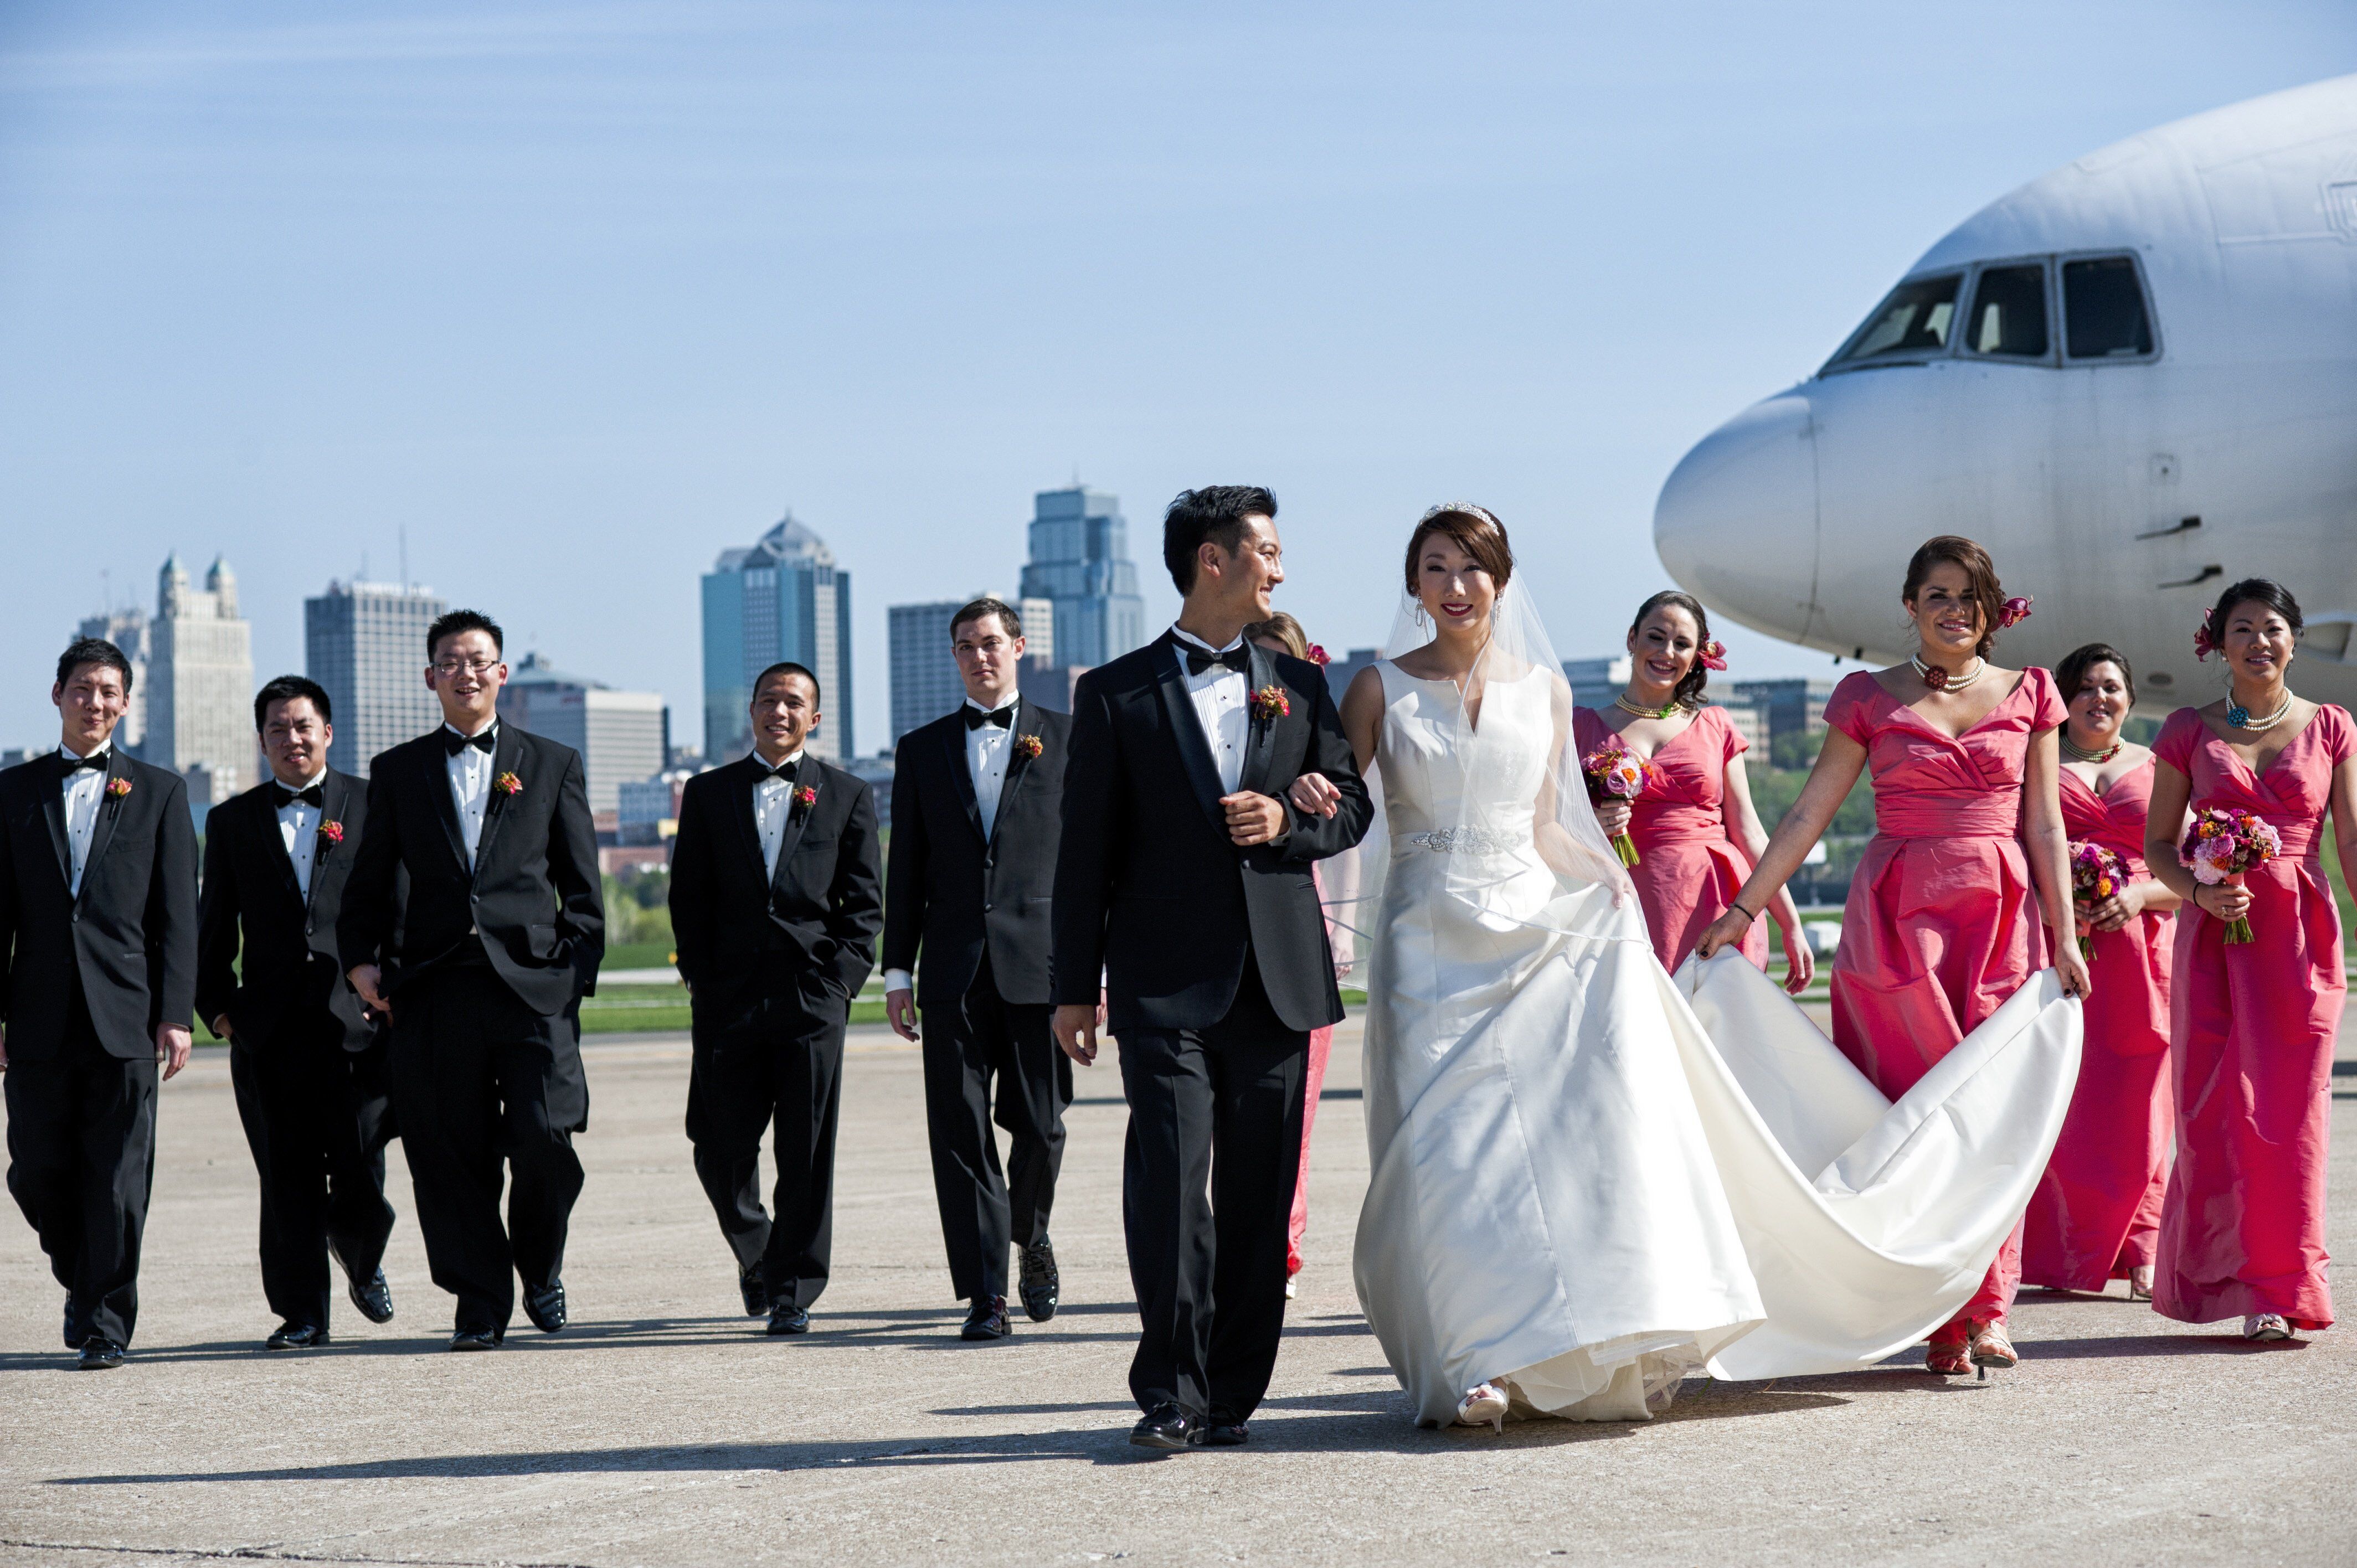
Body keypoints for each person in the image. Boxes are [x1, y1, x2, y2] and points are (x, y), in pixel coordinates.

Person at [1298, 506, 2082, 1429]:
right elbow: (1343, 808)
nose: (1457, 584)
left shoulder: (1544, 691)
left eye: (1472, 568)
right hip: (1427, 939)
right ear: (1415, 584)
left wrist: (1613, 887)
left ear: (1501, 582)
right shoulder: (1374, 689)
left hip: (1534, 928)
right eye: (1437, 567)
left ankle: (1502, 1360)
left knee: (1515, 1154)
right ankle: (1463, 1353)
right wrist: (1302, 804)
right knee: (1442, 1154)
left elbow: (1552, 829)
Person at [1697, 535, 2088, 1378]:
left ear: (1993, 610)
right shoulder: (1866, 697)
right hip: (1895, 920)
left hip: (2002, 917)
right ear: (1909, 605)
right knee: (1913, 1119)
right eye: (1938, 594)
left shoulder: (2033, 693)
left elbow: (2047, 823)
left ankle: (1989, 1311)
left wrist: (2065, 931)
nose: (1955, 609)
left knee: (1989, 1116)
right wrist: (1742, 911)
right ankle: (1937, 1317)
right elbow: (1807, 816)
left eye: (1971, 596)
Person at [1052, 486, 1373, 1452]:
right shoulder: (1112, 693)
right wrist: (1074, 986)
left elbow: (1350, 810)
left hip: (1278, 979)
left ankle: (1232, 1390)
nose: (1280, 568)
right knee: (1169, 1185)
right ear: (1214, 561)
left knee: (1257, 1197)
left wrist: (1289, 821)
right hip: (1159, 984)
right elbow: (1083, 852)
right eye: (1267, 551)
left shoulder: (1302, 684)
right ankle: (1170, 1389)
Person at [338, 609, 605, 1352]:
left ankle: (540, 1266)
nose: (466, 673)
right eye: (451, 662)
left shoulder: (551, 762)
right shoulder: (397, 771)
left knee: (547, 1143)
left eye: (479, 660)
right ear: (432, 678)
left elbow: (583, 890)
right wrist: (360, 961)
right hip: (432, 990)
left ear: (502, 672)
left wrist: (571, 978)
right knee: (449, 1157)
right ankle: (480, 1302)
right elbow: (366, 881)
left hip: (531, 991)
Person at [2143, 579, 2355, 1342]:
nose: (2259, 642)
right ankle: (2218, 1282)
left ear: (2296, 639)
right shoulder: (2186, 730)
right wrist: (2198, 898)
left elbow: (2352, 843)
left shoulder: (2332, 727)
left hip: (2300, 941)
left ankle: (2281, 1287)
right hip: (2212, 945)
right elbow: (2158, 848)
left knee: (2290, 1121)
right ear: (2218, 642)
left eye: (2272, 628)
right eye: (2243, 628)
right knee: (2212, 1119)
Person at [0, 638, 198, 1370]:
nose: (95, 701)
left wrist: (175, 1014)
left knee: (117, 1178)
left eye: (109, 691)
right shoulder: (12, 792)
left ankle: (106, 1323)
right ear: (58, 695)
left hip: (126, 1016)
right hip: (38, 1018)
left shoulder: (161, 792)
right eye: (83, 688)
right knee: (36, 1169)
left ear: (125, 702)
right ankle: (83, 1280)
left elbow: (178, 917)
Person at [670, 662, 883, 1337]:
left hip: (810, 997)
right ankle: (757, 1251)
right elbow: (688, 896)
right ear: (751, 711)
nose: (780, 712)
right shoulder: (707, 795)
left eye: (794, 703)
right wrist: (702, 978)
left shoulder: (847, 794)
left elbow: (864, 905)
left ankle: (793, 1291)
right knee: (716, 1143)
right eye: (769, 700)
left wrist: (839, 985)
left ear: (813, 718)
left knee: (806, 1150)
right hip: (728, 998)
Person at [881, 599, 1072, 1342]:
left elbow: (1092, 864)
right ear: (955, 658)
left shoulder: (1069, 738)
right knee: (960, 1134)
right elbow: (909, 871)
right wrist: (898, 972)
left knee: (1043, 1127)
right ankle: (986, 1293)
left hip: (1044, 967)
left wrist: (1094, 970)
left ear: (1019, 647)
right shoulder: (921, 749)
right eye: (966, 647)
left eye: (991, 643)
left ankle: (1033, 1234)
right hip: (953, 972)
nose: (979, 656)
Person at [197, 674, 397, 1349]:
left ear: (328, 732)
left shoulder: (373, 806)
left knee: (365, 1166)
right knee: (285, 1180)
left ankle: (361, 1252)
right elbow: (213, 930)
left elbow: (399, 910)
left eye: (303, 726)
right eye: (277, 729)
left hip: (359, 1027)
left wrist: (392, 990)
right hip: (271, 1033)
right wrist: (220, 1012)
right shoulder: (230, 822)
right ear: (261, 741)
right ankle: (302, 1315)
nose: (292, 739)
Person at [2020, 644, 2179, 1300]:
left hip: (2145, 953)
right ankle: (2062, 1252)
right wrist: (2061, 904)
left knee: (2144, 1103)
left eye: (2111, 687)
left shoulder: (2159, 765)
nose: (2098, 699)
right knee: (2064, 1103)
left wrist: (2140, 894)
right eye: (2083, 688)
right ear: (2062, 700)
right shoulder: (2038, 761)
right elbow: (2020, 847)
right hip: (2058, 948)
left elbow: (2194, 868)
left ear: (2130, 697)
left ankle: (2143, 1247)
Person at [1574, 591, 1810, 989]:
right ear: (1632, 639)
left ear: (1696, 656)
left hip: (1715, 896)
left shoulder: (1716, 725)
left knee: (1717, 1033)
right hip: (1626, 899)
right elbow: (1550, 824)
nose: (1667, 652)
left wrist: (1791, 924)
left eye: (1682, 644)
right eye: (1655, 637)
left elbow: (1749, 833)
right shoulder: (1580, 727)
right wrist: (1593, 823)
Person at [1239, 611, 1356, 1300]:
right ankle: (1230, 1241)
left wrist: (1337, 938)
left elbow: (1348, 836)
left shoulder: (1317, 735)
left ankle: (1280, 1248)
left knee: (1295, 1114)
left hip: (1299, 933)